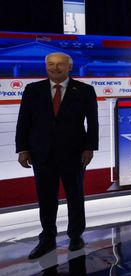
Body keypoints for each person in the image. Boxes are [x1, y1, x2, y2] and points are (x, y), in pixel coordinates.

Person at [15, 52, 99, 259]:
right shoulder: (32, 90)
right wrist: (23, 149)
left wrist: (90, 148)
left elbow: (93, 123)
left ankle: (76, 235)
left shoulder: (85, 90)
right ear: (46, 67)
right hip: (41, 153)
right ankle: (47, 238)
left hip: (75, 153)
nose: (55, 68)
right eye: (51, 64)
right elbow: (23, 121)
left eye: (60, 64)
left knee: (75, 196)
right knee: (46, 197)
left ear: (69, 67)